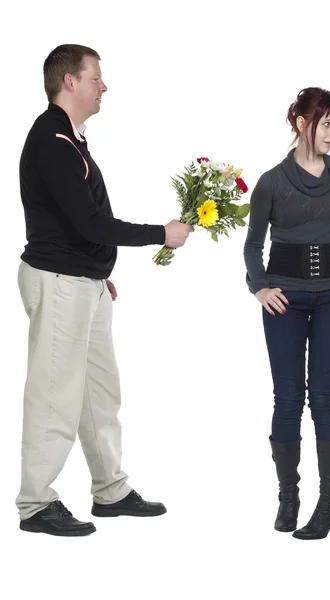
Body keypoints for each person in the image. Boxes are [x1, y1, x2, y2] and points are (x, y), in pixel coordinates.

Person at [17, 44, 194, 537]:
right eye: (96, 77)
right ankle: (35, 504)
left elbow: (73, 222)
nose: (104, 85)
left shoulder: (72, 138)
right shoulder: (52, 141)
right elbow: (90, 221)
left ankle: (110, 491)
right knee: (55, 395)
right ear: (69, 82)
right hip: (58, 282)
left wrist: (96, 270)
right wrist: (162, 233)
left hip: (82, 282)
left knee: (99, 394)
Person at [243, 87, 330, 540]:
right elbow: (252, 244)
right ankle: (288, 494)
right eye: (327, 123)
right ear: (302, 122)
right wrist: (259, 287)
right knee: (286, 397)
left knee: (324, 395)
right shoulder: (271, 181)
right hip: (285, 297)